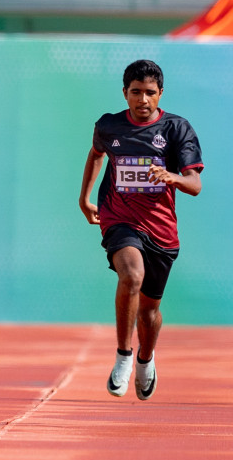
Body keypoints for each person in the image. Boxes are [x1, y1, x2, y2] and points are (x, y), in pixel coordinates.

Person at [78, 59, 203, 401]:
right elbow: (96, 154)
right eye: (136, 92)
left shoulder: (178, 129)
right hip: (119, 219)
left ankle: (146, 360)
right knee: (131, 275)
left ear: (160, 94)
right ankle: (123, 355)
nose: (143, 100)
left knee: (149, 313)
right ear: (125, 93)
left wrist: (173, 176)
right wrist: (84, 197)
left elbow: (195, 184)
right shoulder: (109, 126)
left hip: (162, 230)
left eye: (150, 93)